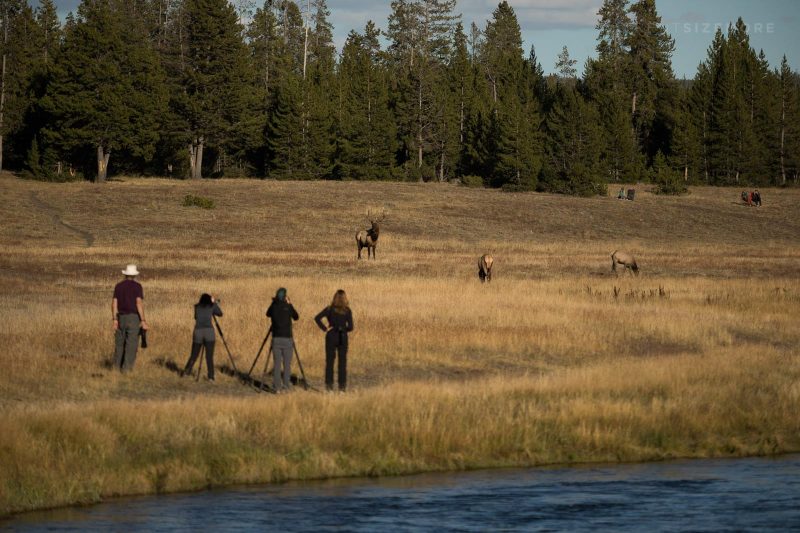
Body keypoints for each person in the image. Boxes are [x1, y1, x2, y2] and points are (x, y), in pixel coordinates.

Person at [314, 290, 354, 392]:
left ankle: (329, 387)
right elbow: (351, 327)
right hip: (342, 337)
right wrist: (343, 329)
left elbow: (317, 318)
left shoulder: (329, 309)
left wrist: (325, 328)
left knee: (330, 362)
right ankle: (342, 388)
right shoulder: (347, 310)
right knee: (342, 363)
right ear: (345, 298)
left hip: (331, 336)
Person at [112, 264, 148, 372]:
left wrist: (114, 319)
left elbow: (114, 303)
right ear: (134, 275)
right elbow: (138, 303)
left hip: (120, 317)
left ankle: (116, 369)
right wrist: (143, 320)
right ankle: (126, 370)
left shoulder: (118, 286)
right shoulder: (137, 286)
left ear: (126, 275)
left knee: (119, 344)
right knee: (131, 345)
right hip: (133, 318)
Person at [183, 293, 222, 381]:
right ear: (209, 300)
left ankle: (186, 372)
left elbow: (196, 317)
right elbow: (220, 313)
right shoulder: (212, 306)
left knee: (194, 355)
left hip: (198, 332)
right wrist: (214, 304)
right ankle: (211, 377)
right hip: (209, 333)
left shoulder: (196, 307)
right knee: (209, 356)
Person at [266, 288, 299, 393]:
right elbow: (296, 317)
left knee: (277, 364)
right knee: (287, 364)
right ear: (285, 297)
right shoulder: (288, 307)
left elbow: (267, 314)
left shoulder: (273, 306)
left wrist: (274, 302)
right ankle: (286, 386)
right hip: (287, 339)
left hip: (276, 338)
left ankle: (277, 388)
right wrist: (290, 304)